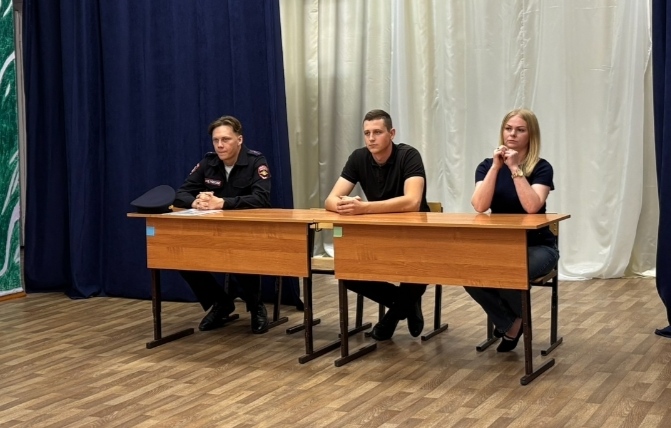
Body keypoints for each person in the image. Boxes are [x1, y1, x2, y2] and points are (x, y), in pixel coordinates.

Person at [325, 109, 430, 341]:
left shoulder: (409, 155)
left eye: (377, 132)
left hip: (414, 234)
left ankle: (391, 319)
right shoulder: (358, 157)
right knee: (348, 273)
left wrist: (364, 208)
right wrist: (345, 205)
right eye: (367, 133)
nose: (371, 138)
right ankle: (407, 304)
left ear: (391, 133)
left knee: (419, 273)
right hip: (378, 234)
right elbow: (330, 200)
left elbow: (412, 202)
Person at [466, 108, 559, 352]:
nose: (512, 134)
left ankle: (513, 324)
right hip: (501, 245)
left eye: (520, 130)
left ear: (531, 135)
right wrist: (496, 168)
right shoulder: (486, 166)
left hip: (538, 246)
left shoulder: (541, 167)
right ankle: (513, 322)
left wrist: (515, 168)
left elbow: (532, 207)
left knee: (509, 269)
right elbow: (479, 205)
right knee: (467, 271)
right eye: (508, 129)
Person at [173, 115, 272, 334]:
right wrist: (196, 202)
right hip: (213, 231)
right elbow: (181, 193)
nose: (220, 145)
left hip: (247, 231)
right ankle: (221, 302)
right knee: (182, 257)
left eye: (225, 139)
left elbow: (261, 198)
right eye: (216, 140)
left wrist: (223, 203)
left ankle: (256, 306)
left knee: (238, 254)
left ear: (239, 140)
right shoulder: (209, 162)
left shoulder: (256, 161)